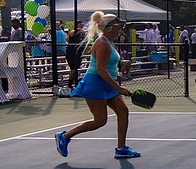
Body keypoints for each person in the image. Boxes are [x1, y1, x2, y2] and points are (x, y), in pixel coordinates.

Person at [55, 12, 139, 160]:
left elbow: (108, 63)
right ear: (110, 27)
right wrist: (118, 88)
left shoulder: (109, 41)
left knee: (123, 111)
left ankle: (121, 149)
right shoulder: (102, 43)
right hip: (96, 83)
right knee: (100, 121)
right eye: (119, 26)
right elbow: (100, 69)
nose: (121, 29)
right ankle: (65, 136)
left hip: (107, 83)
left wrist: (121, 65)